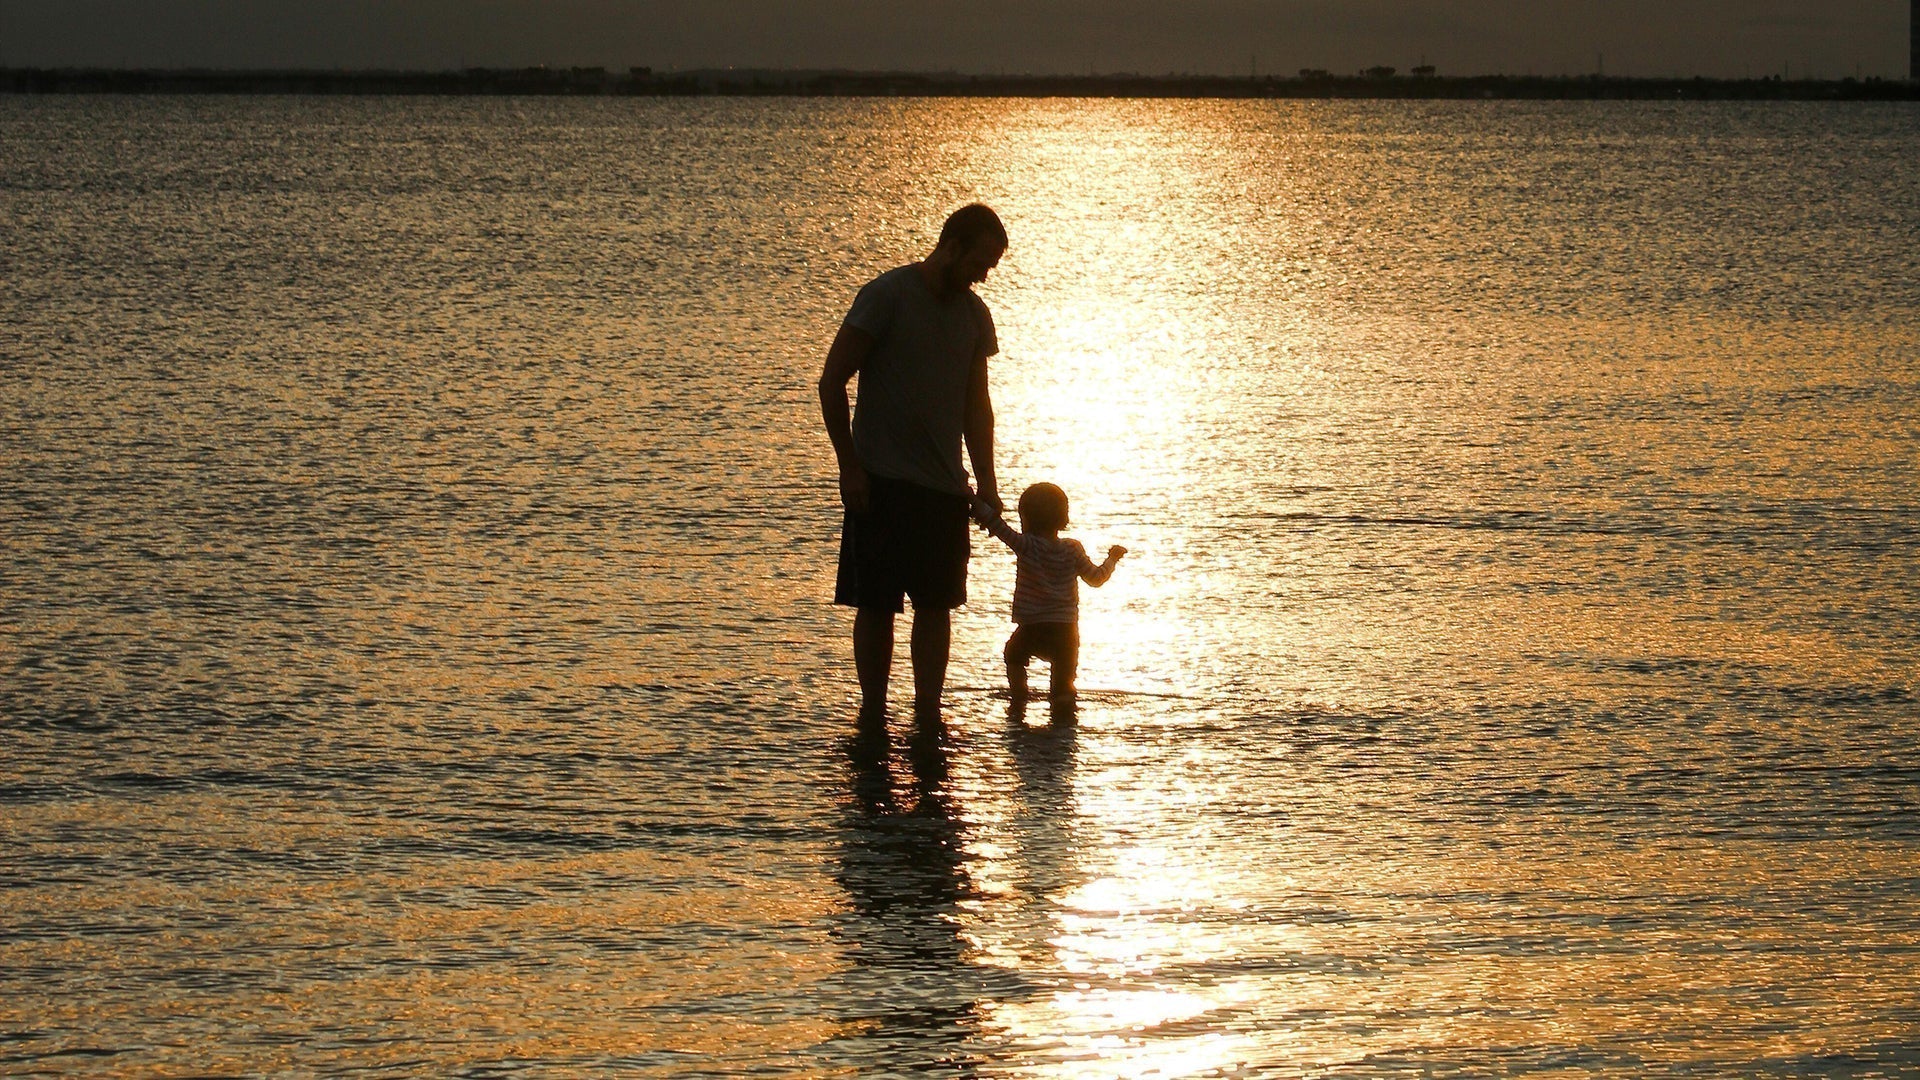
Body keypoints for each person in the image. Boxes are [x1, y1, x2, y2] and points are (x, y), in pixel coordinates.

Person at [819, 204, 1008, 724]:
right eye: (980, 261)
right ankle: (873, 714)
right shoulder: (886, 296)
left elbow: (977, 407)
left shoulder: (974, 317)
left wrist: (988, 483)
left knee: (936, 607)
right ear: (952, 246)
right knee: (876, 606)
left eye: (991, 266)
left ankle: (928, 716)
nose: (983, 274)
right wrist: (849, 468)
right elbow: (831, 381)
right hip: (878, 482)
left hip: (943, 490)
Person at [976, 482, 1125, 704]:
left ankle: (1019, 699)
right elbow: (1096, 579)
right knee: (1063, 689)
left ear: (1025, 518)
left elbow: (997, 525)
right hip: (1066, 632)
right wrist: (1112, 559)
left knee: (1014, 655)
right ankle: (1064, 722)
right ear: (1063, 517)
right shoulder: (1072, 548)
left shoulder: (1026, 545)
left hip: (1033, 627)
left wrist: (972, 500)